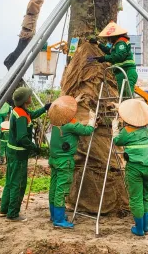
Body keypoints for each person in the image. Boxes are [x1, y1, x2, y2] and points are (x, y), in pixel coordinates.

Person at [0, 87, 51, 221]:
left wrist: (44, 108)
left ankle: (4, 209)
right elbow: (22, 138)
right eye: (29, 95)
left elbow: (32, 115)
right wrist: (35, 148)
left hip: (11, 151)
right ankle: (12, 214)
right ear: (25, 99)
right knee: (18, 183)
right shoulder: (21, 116)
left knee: (10, 181)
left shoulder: (19, 111)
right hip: (18, 155)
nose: (31, 96)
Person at [47, 94, 96, 229]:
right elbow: (87, 130)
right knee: (61, 190)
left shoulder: (55, 122)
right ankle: (59, 220)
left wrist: (74, 101)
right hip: (65, 162)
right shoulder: (70, 125)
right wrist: (92, 119)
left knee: (54, 188)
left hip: (54, 160)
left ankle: (54, 215)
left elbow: (64, 111)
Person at [112, 99, 148, 236]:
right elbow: (142, 119)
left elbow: (117, 141)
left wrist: (114, 127)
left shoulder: (127, 131)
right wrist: (122, 109)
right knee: (145, 197)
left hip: (135, 168)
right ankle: (146, 227)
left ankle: (139, 229)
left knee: (136, 199)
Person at [88, 21, 138, 97]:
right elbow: (109, 51)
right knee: (123, 95)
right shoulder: (116, 44)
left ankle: (129, 108)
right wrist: (98, 43)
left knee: (127, 93)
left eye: (109, 37)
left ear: (114, 35)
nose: (108, 39)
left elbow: (119, 56)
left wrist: (104, 58)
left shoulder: (121, 42)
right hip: (121, 72)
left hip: (126, 71)